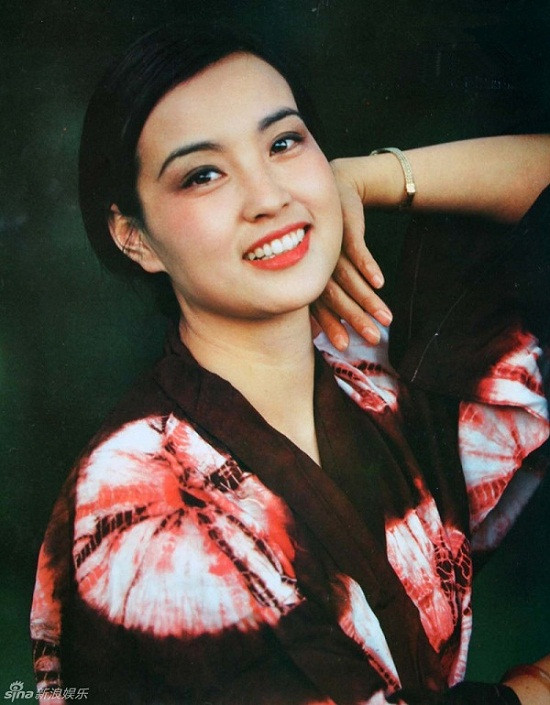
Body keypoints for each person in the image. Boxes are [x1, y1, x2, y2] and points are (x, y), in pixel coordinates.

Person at [30, 21, 550, 705]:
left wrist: (365, 178)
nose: (270, 198)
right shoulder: (140, 497)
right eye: (204, 174)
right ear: (135, 238)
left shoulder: (374, 372)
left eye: (283, 142)